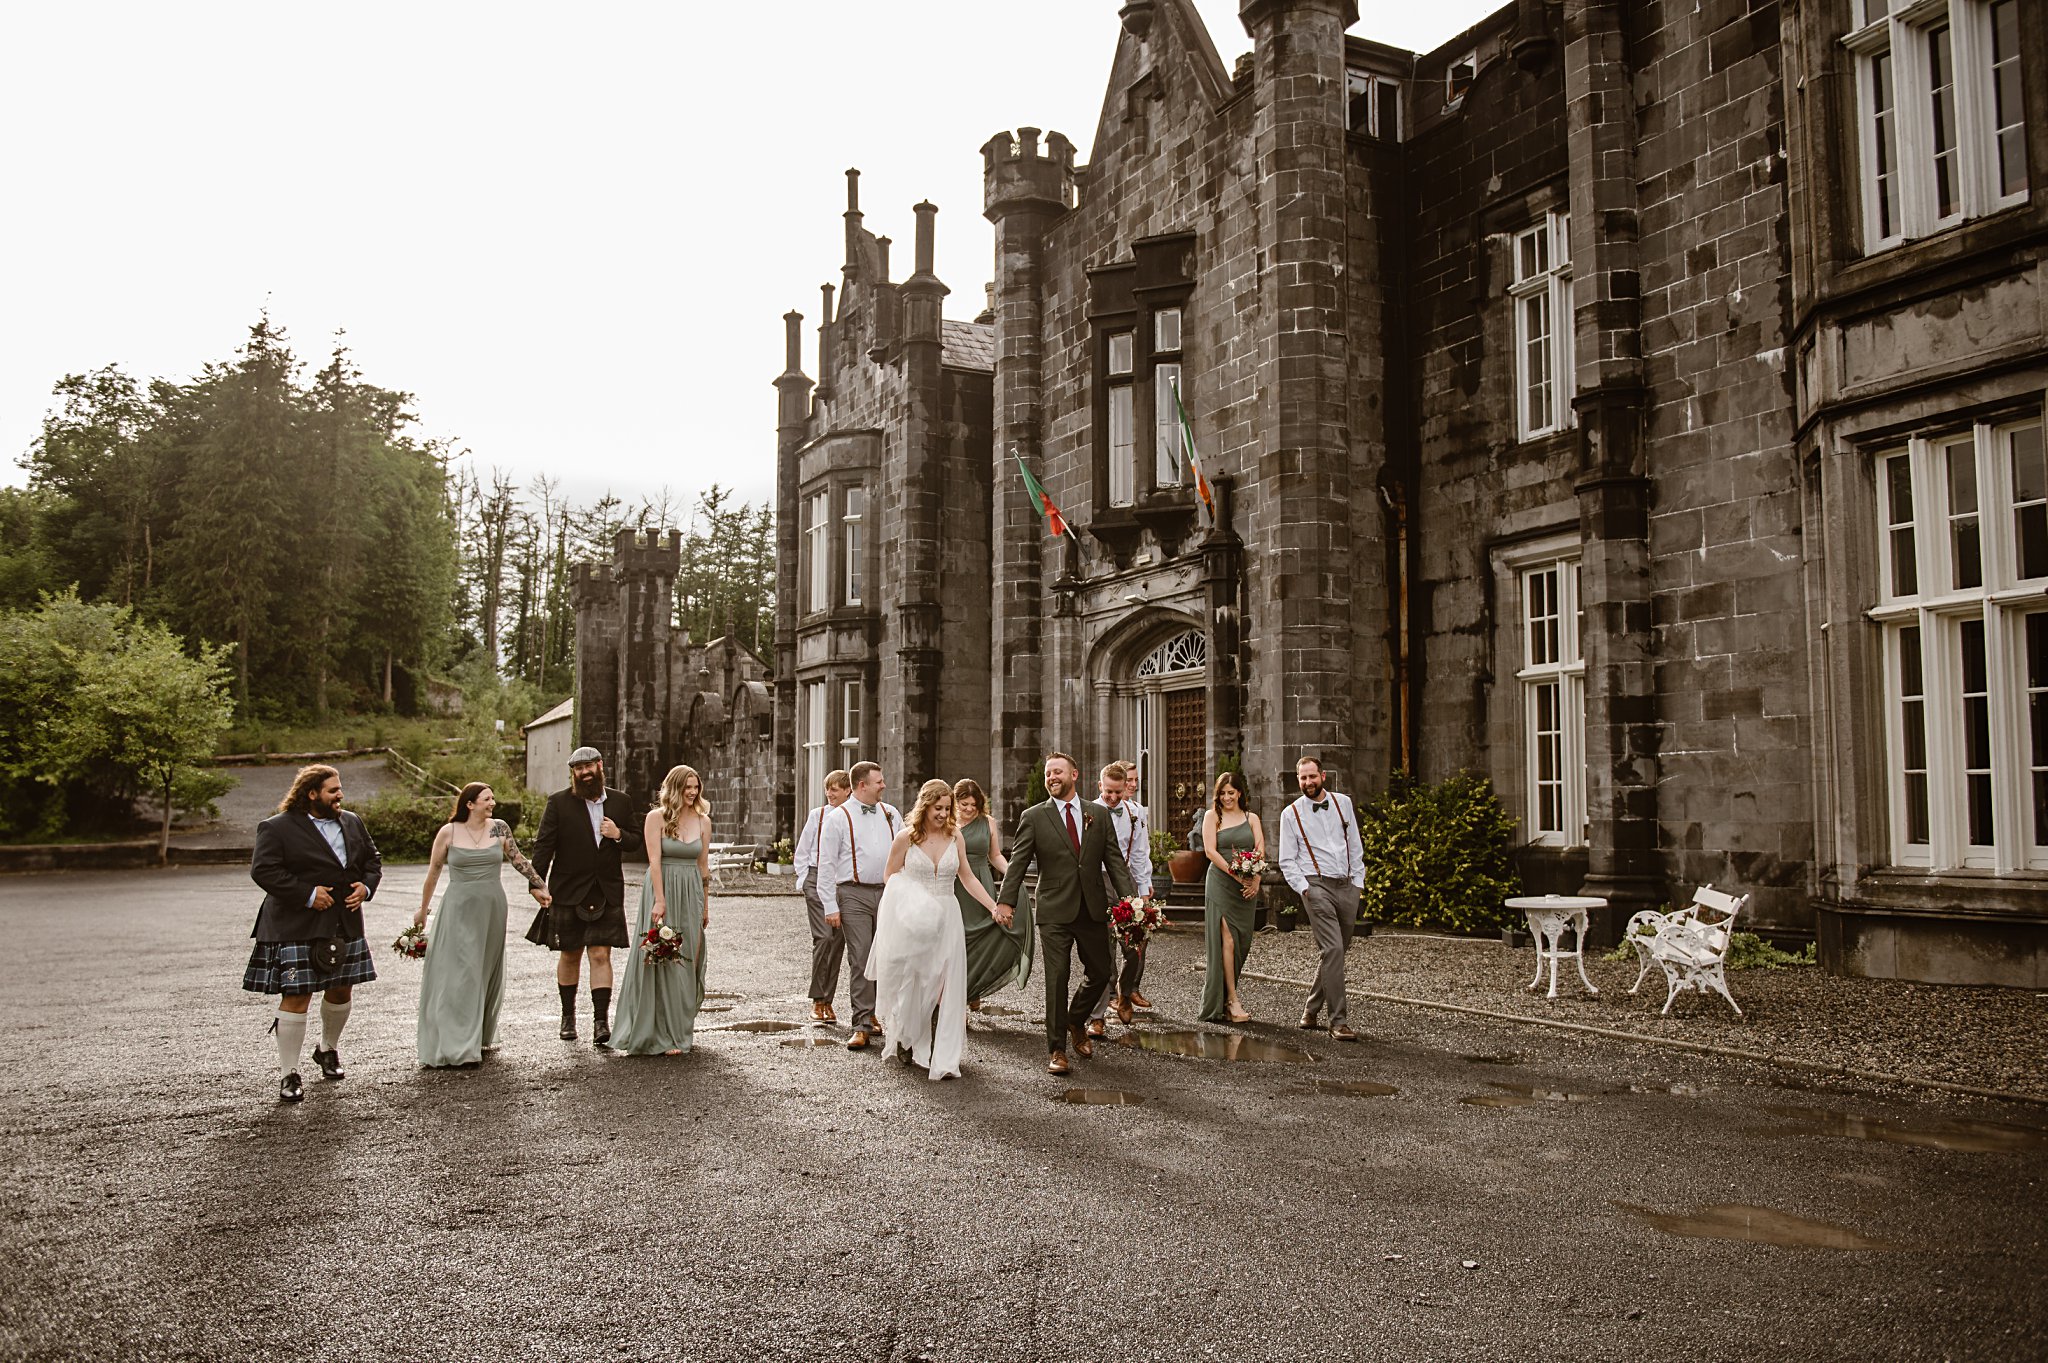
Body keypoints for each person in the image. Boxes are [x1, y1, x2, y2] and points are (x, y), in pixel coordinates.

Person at [243, 764, 383, 1104]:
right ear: (311, 793)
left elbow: (372, 860)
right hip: (296, 923)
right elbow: (263, 870)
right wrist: (308, 894)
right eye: (333, 790)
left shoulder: (352, 821)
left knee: (341, 989)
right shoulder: (277, 828)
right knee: (297, 994)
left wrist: (365, 887)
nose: (340, 794)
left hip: (344, 920)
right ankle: (288, 1073)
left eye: (340, 789)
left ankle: (327, 1049)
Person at [996, 752, 1134, 1075]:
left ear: (1075, 774)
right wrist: (1006, 901)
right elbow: (1017, 863)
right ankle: (1057, 1049)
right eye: (1047, 774)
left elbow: (1114, 861)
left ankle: (1075, 1019)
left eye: (1057, 772)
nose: (1051, 777)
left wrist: (1132, 905)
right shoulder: (1034, 817)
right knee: (1057, 978)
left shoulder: (1097, 815)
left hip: (1091, 908)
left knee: (1101, 973)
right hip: (1054, 910)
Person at [868, 779, 1005, 1079]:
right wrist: (910, 901)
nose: (944, 814)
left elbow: (967, 878)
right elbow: (890, 875)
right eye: (938, 808)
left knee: (943, 983)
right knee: (915, 980)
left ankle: (935, 1049)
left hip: (947, 914)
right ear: (925, 806)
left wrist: (992, 906)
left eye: (947, 808)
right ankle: (906, 1037)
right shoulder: (906, 838)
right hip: (913, 917)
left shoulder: (955, 836)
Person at [412, 783, 551, 1068]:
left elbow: (518, 859)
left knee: (483, 968)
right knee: (461, 971)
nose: (493, 803)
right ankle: (456, 1042)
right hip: (458, 907)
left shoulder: (499, 828)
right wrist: (423, 910)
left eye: (493, 797)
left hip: (491, 907)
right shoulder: (448, 832)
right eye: (487, 799)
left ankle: (477, 1035)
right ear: (470, 804)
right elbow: (434, 871)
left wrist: (538, 885)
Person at [527, 746, 644, 1046]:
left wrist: (617, 834)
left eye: (589, 766)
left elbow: (635, 841)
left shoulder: (620, 801)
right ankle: (568, 1018)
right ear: (574, 773)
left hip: (605, 888)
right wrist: (536, 883)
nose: (584, 772)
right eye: (578, 769)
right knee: (570, 953)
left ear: (600, 766)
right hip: (567, 889)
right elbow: (544, 846)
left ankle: (601, 1022)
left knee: (600, 953)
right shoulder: (558, 803)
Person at [609, 765, 712, 1056]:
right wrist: (660, 899)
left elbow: (703, 867)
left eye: (695, 787)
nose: (692, 792)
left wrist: (705, 904)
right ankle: (656, 1031)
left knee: (686, 956)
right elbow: (653, 860)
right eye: (686, 787)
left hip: (690, 890)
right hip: (661, 887)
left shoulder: (704, 822)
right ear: (674, 788)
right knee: (660, 955)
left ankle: (679, 1032)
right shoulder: (656, 818)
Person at [1278, 756, 1366, 1042]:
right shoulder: (1290, 814)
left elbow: (1354, 844)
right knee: (1334, 949)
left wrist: (1358, 882)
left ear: (1323, 776)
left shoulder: (1344, 803)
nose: (1307, 783)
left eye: (1312, 777)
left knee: (1336, 951)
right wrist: (1305, 888)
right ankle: (1338, 1021)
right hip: (1316, 887)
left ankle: (1310, 1009)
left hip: (1347, 885)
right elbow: (1287, 860)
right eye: (1303, 778)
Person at [815, 761, 900, 1050]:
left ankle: (877, 1014)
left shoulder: (891, 814)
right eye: (879, 781)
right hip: (852, 894)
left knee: (888, 957)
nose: (883, 785)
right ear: (862, 785)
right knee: (861, 957)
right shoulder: (838, 818)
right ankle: (862, 1023)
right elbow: (825, 864)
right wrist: (829, 904)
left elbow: (904, 853)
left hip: (889, 891)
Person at [1088, 760, 1153, 1035]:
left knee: (1135, 944)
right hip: (1096, 881)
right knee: (1102, 950)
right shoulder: (1086, 812)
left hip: (1124, 879)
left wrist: (1144, 887)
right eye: (1109, 792)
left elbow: (1139, 852)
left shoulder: (1135, 813)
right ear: (1100, 785)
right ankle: (1098, 1016)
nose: (1113, 798)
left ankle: (1125, 992)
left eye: (1118, 792)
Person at [953, 777, 1029, 1006]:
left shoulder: (988, 822)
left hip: (981, 881)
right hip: (955, 886)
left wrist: (1012, 876)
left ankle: (973, 986)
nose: (968, 809)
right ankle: (961, 995)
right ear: (955, 802)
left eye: (972, 805)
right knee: (959, 940)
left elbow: (994, 855)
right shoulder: (947, 824)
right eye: (963, 804)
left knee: (983, 939)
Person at [1198, 770, 1265, 1025]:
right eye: (1222, 793)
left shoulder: (1252, 818)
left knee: (1242, 941)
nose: (1227, 797)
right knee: (1227, 939)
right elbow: (1210, 851)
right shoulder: (1212, 816)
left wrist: (1256, 879)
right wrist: (1237, 876)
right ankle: (1232, 1001)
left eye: (1231, 792)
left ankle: (1228, 994)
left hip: (1247, 885)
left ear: (1239, 793)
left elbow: (1259, 849)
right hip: (1221, 883)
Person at [794, 769, 853, 1021]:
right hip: (817, 879)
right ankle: (818, 1001)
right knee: (824, 938)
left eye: (835, 789)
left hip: (844, 883)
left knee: (838, 943)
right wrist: (805, 880)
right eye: (828, 788)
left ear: (848, 791)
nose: (830, 793)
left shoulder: (852, 817)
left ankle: (828, 1001)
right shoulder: (817, 816)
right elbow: (803, 850)